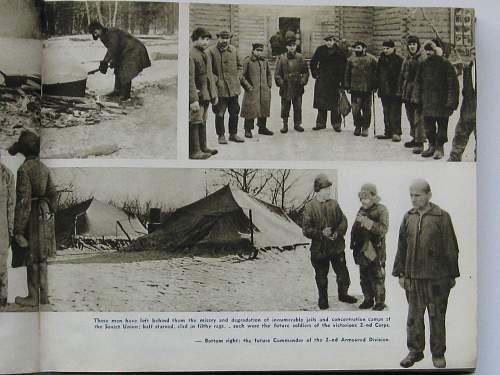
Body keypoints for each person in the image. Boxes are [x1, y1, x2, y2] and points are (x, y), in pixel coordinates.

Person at [393, 179, 459, 369]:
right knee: (414, 317)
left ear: (429, 195)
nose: (413, 199)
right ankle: (415, 351)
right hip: (413, 278)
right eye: (411, 195)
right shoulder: (408, 217)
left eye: (418, 195)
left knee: (436, 316)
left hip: (437, 279)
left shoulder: (441, 217)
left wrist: (452, 274)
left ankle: (438, 353)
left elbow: (451, 247)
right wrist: (401, 273)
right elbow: (401, 246)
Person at [8, 131, 57, 307]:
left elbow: (23, 202)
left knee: (32, 257)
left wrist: (18, 230)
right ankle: (44, 297)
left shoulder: (24, 169)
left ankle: (32, 296)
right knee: (42, 258)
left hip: (32, 218)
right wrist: (49, 209)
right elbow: (53, 193)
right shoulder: (44, 167)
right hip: (45, 216)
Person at [302, 174, 357, 310]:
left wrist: (337, 232)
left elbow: (343, 221)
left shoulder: (334, 204)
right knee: (321, 276)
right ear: (318, 190)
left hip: (336, 247)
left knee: (343, 273)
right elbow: (306, 229)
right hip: (319, 249)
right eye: (326, 189)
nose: (329, 191)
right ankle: (323, 299)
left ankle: (343, 294)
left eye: (329, 189)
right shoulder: (310, 207)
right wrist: (321, 233)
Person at [412, 40, 459, 159]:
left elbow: (453, 84)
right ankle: (431, 145)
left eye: (431, 51)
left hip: (442, 103)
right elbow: (418, 82)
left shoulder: (445, 64)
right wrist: (416, 98)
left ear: (436, 51)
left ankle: (439, 147)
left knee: (442, 127)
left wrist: (451, 102)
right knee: (429, 127)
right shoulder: (423, 64)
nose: (428, 53)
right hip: (427, 102)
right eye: (426, 51)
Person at [88, 20, 151, 102]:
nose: (95, 34)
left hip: (134, 50)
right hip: (126, 51)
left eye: (95, 31)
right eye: (93, 33)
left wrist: (112, 62)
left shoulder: (112, 33)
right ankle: (117, 91)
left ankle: (125, 95)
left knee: (126, 71)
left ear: (99, 28)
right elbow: (110, 50)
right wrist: (105, 62)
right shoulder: (104, 36)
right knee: (118, 68)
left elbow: (114, 50)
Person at [350, 183, 389, 311]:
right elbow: (355, 228)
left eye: (366, 198)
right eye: (361, 198)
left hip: (376, 250)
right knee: (364, 276)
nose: (363, 201)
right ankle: (368, 299)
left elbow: (383, 229)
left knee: (377, 276)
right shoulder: (361, 210)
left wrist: (366, 222)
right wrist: (353, 243)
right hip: (362, 249)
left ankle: (379, 302)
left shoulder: (381, 210)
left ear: (373, 197)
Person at [207, 30, 244, 144]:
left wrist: (237, 77)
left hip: (233, 88)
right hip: (220, 88)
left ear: (230, 39)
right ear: (218, 38)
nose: (224, 40)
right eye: (222, 38)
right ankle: (221, 135)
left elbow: (240, 66)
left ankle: (233, 134)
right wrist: (216, 81)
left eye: (227, 38)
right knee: (220, 112)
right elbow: (208, 70)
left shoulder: (234, 50)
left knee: (234, 112)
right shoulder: (211, 51)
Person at [189, 27, 218, 159]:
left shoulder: (205, 54)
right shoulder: (191, 54)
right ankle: (194, 151)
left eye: (208, 39)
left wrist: (213, 94)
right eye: (202, 39)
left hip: (205, 95)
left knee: (203, 120)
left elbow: (210, 76)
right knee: (195, 120)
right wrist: (193, 99)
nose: (206, 42)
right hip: (197, 97)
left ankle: (203, 146)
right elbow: (189, 79)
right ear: (195, 39)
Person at [309, 34, 348, 132]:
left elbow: (344, 68)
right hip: (322, 79)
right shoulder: (320, 50)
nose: (328, 42)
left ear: (334, 41)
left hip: (335, 81)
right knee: (321, 102)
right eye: (327, 40)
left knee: (335, 103)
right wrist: (315, 73)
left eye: (331, 40)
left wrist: (342, 83)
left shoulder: (340, 52)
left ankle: (336, 124)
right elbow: (313, 62)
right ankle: (320, 124)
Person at [397, 35, 427, 154]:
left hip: (419, 92)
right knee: (410, 116)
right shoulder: (407, 59)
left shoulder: (422, 59)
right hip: (408, 91)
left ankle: (420, 142)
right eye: (410, 44)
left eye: (414, 44)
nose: (412, 46)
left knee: (418, 118)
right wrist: (400, 90)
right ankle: (414, 138)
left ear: (418, 45)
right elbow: (402, 75)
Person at [274, 37, 309, 134]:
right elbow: (277, 74)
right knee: (285, 106)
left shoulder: (300, 57)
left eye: (293, 45)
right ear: (286, 47)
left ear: (296, 46)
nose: (292, 48)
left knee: (298, 106)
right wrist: (281, 83)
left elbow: (306, 71)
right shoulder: (282, 58)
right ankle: (285, 125)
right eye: (290, 46)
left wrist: (303, 81)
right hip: (286, 86)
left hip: (297, 85)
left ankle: (297, 124)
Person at [344, 41, 378, 137]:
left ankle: (365, 127)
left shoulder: (371, 59)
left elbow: (377, 70)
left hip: (367, 88)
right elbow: (347, 73)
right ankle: (357, 126)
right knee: (355, 109)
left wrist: (375, 84)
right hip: (354, 89)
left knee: (367, 109)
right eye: (355, 48)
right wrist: (347, 85)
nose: (356, 50)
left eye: (358, 48)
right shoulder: (350, 59)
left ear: (364, 48)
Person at [448, 47, 477, 161]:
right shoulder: (468, 69)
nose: (475, 56)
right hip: (468, 107)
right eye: (473, 54)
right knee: (460, 133)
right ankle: (454, 157)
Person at [240, 43, 274, 138]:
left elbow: (269, 74)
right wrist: (248, 87)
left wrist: (268, 85)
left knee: (264, 108)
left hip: (264, 90)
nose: (259, 52)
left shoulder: (264, 61)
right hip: (252, 91)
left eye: (261, 50)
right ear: (253, 50)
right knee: (250, 110)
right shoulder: (247, 61)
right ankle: (248, 129)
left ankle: (262, 128)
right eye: (257, 50)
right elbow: (241, 76)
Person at [376, 40, 403, 142]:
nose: (385, 50)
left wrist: (400, 89)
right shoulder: (381, 60)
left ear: (393, 48)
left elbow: (402, 76)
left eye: (388, 48)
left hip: (395, 91)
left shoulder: (399, 60)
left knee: (395, 112)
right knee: (386, 111)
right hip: (384, 90)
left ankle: (396, 132)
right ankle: (388, 132)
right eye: (384, 48)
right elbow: (377, 74)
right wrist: (377, 85)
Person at [0, 151, 15, 307]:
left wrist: (10, 229)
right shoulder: (7, 174)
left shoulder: (7, 174)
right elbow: (11, 206)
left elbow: (11, 206)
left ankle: (2, 299)